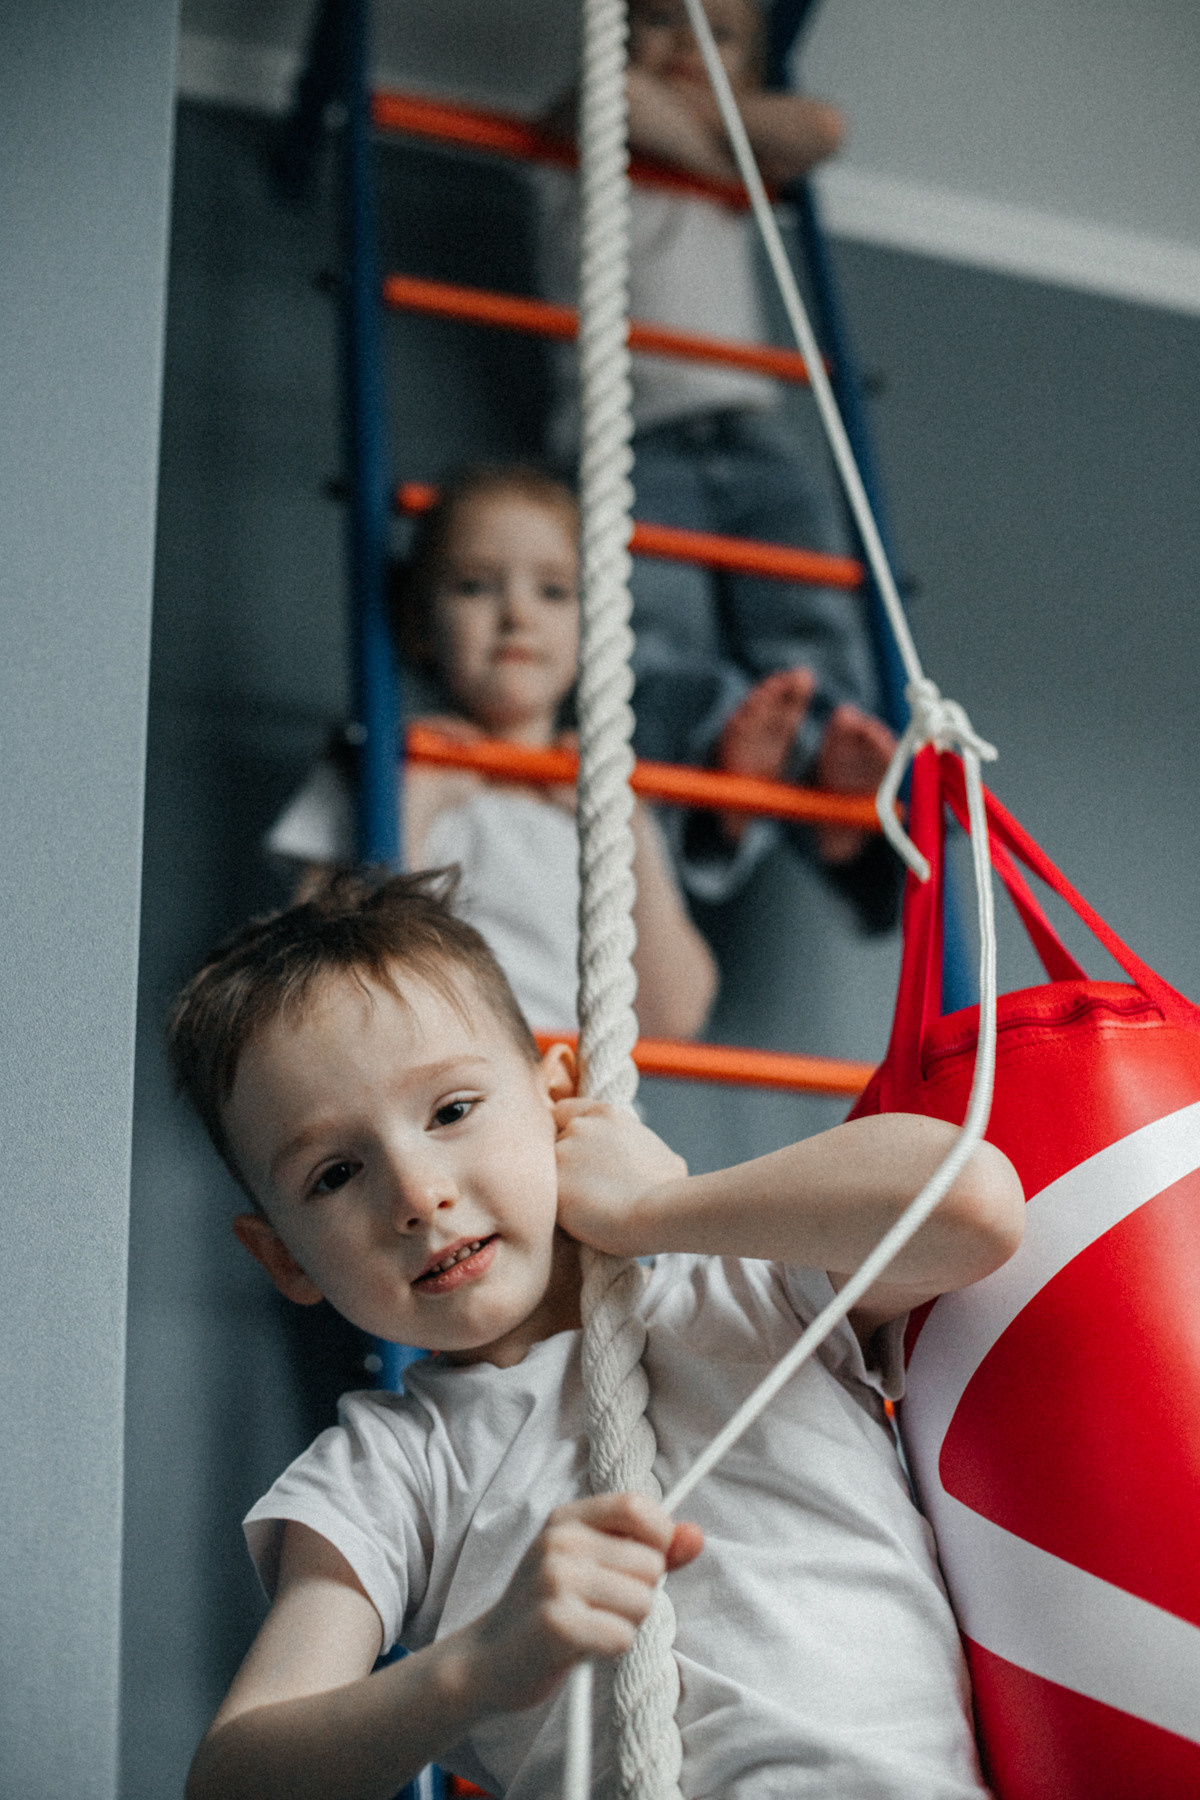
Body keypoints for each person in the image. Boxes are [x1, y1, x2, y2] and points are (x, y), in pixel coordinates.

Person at [170, 870, 1024, 1800]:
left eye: (452, 1112)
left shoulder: (751, 1289)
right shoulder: (392, 1469)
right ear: (283, 1259)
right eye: (334, 1174)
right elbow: (234, 1780)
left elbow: (974, 1204)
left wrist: (665, 1207)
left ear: (558, 1097)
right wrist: (476, 1668)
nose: (417, 1196)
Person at [539, 0, 901, 929]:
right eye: (659, 19)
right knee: (656, 636)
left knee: (811, 617)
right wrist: (736, 162)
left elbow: (824, 126)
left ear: (751, 67)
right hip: (631, 437)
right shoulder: (584, 120)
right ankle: (715, 772)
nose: (686, 44)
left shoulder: (738, 135)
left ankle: (824, 765)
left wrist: (729, 144)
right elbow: (615, 96)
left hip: (750, 428)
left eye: (721, 34)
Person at [266, 465, 717, 1039]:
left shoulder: (601, 793)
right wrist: (417, 800)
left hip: (571, 1099)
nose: (518, 616)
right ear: (419, 624)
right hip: (436, 1084)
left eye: (553, 590)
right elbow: (323, 978)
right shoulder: (379, 762)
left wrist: (625, 827)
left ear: (596, 629)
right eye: (475, 586)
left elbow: (674, 1015)